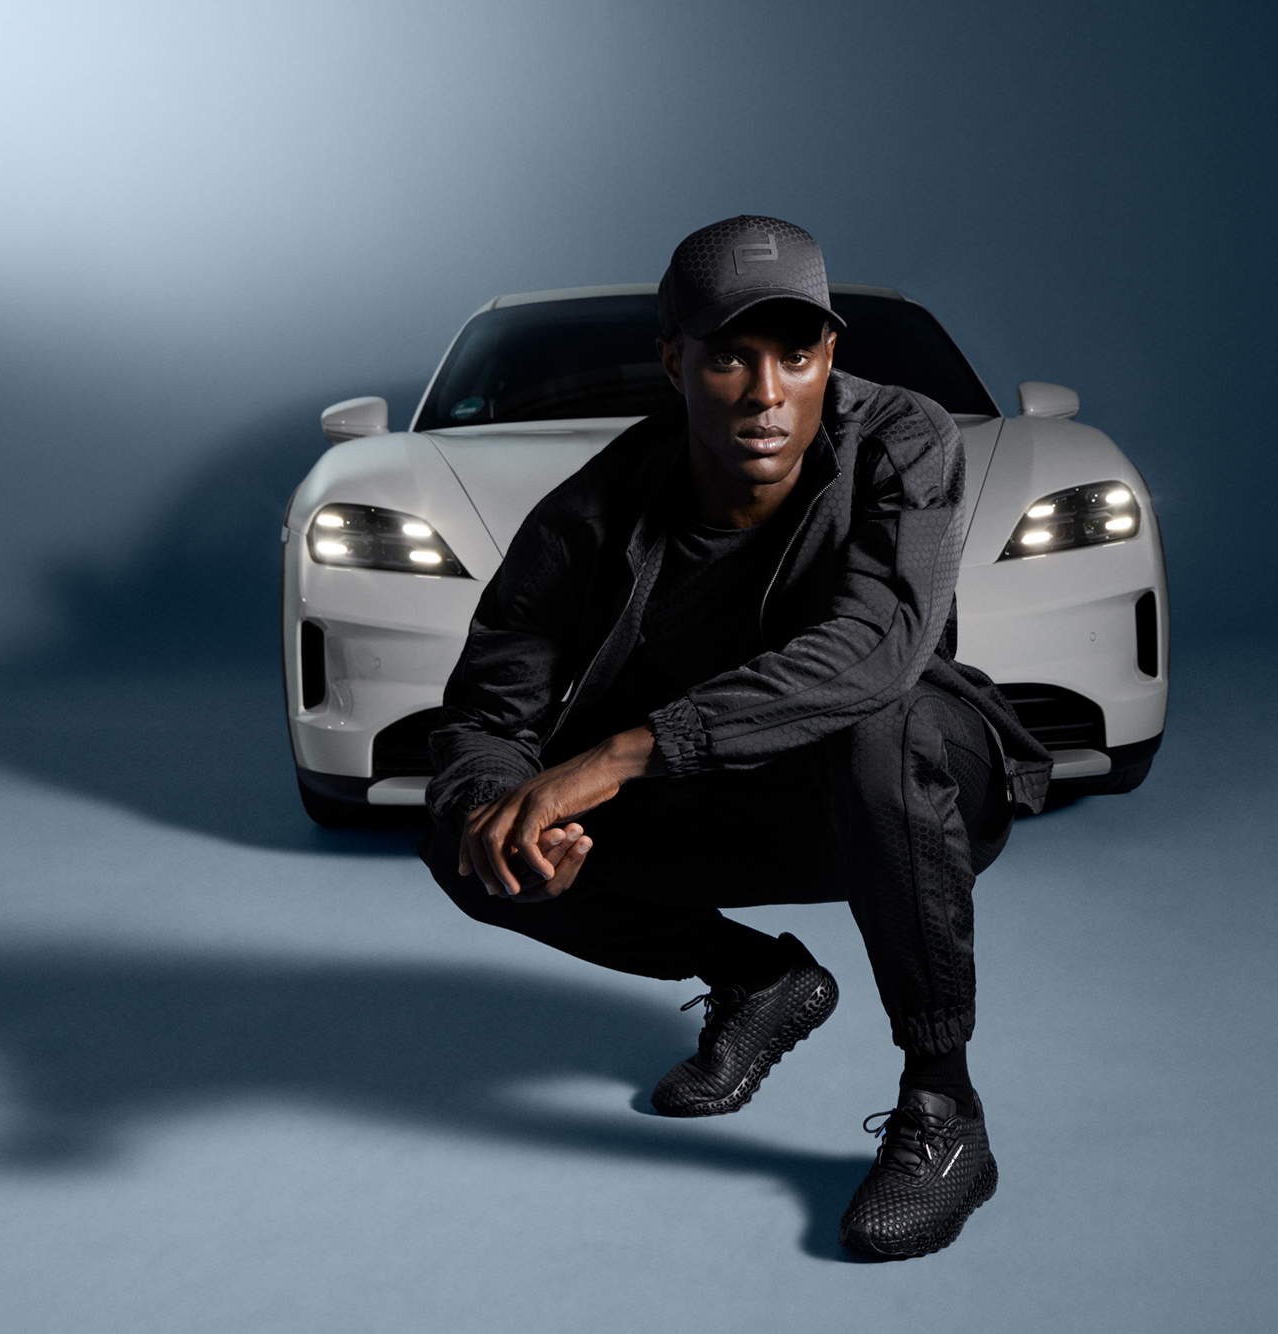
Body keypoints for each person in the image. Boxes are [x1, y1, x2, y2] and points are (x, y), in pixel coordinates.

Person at [419, 215, 1051, 1259]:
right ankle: (753, 977)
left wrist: (615, 756)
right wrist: (508, 814)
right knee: (468, 838)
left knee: (876, 721)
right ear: (674, 362)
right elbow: (485, 716)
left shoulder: (901, 439)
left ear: (829, 354)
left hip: (911, 787)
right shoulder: (591, 512)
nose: (766, 393)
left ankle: (945, 1108)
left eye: (794, 355)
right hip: (728, 803)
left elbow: (875, 650)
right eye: (728, 358)